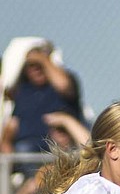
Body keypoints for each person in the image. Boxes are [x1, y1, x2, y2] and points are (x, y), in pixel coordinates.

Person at [0, 39, 84, 178]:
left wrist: (41, 58)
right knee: (23, 151)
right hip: (28, 151)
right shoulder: (24, 91)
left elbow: (64, 85)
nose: (35, 69)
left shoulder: (62, 85)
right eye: (31, 66)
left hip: (59, 148)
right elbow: (11, 126)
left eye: (39, 65)